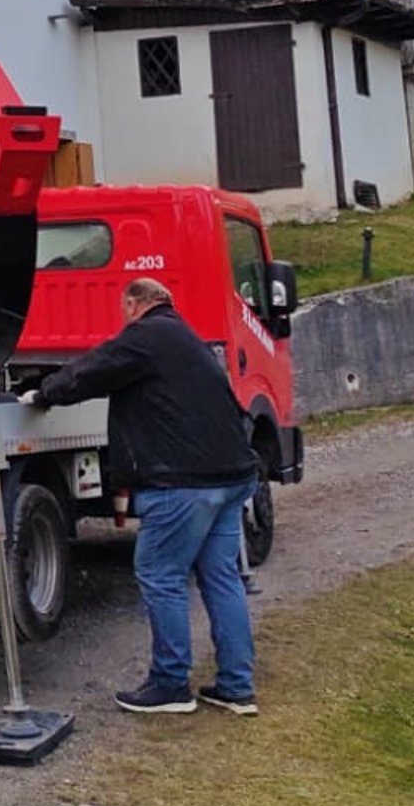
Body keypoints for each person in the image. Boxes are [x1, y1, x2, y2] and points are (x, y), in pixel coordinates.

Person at [20, 275, 260, 717]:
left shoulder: (146, 335)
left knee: (160, 575)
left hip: (182, 482)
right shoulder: (188, 340)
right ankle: (237, 687)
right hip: (231, 475)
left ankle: (170, 685)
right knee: (222, 579)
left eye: (122, 309)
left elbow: (92, 370)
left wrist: (43, 392)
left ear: (134, 304)